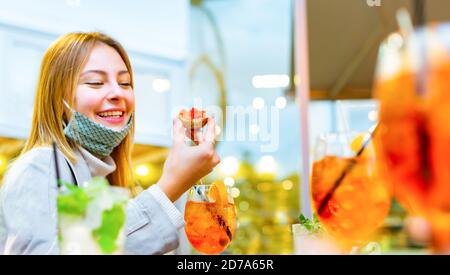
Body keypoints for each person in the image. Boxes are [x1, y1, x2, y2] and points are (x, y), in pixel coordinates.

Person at [0, 32, 220, 255]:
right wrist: (170, 186)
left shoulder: (104, 177)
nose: (118, 92)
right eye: (96, 82)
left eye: (125, 83)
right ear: (58, 97)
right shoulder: (41, 165)